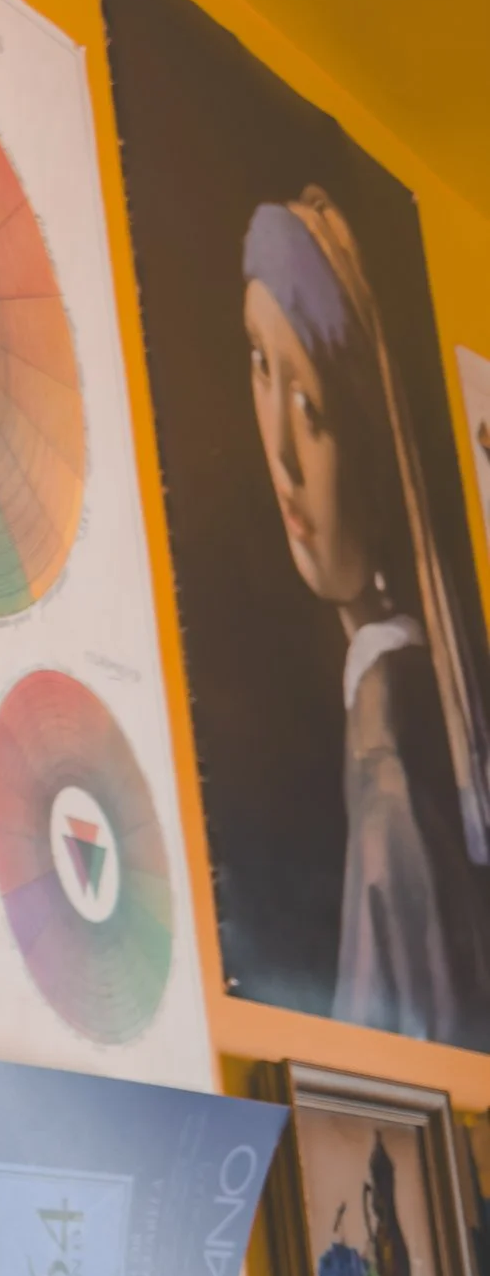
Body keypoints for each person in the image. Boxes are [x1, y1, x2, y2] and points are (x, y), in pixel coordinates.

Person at [242, 185, 490, 1042]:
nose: (278, 450)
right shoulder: (400, 698)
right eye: (259, 364)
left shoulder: (389, 733)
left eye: (312, 408)